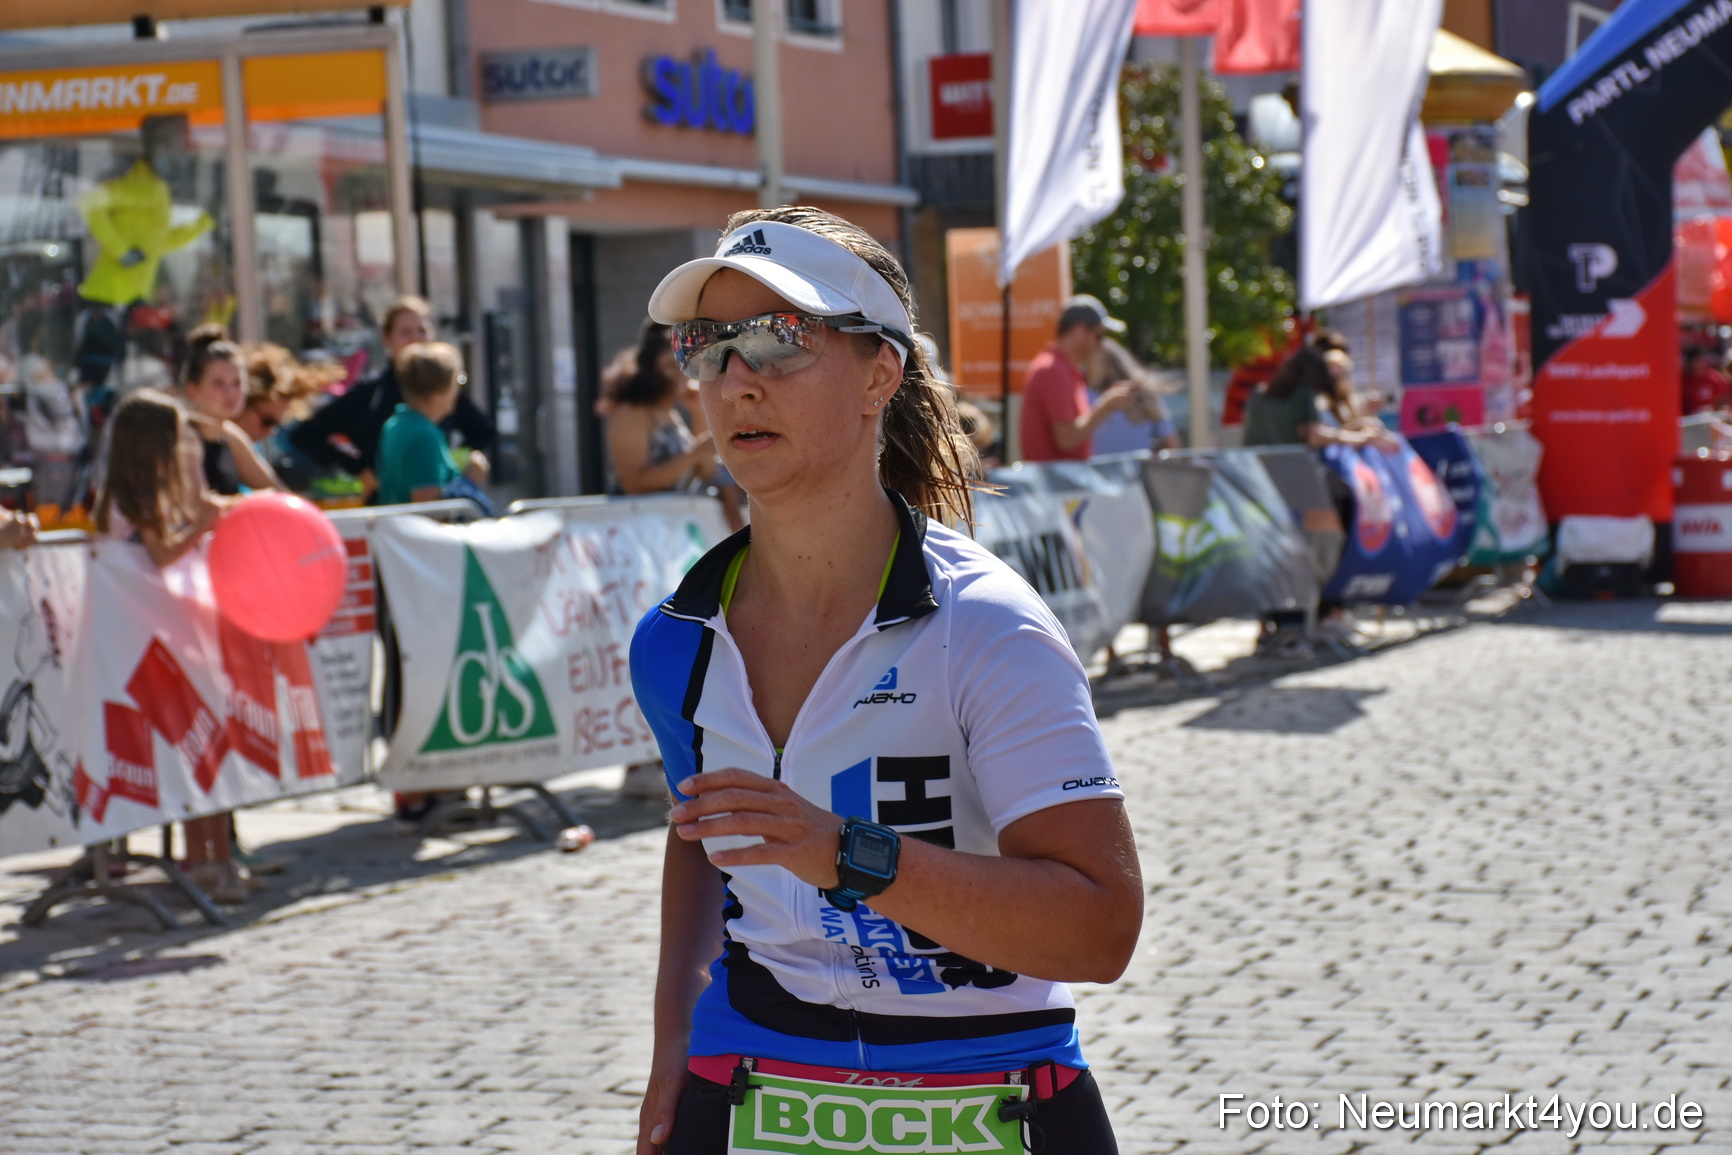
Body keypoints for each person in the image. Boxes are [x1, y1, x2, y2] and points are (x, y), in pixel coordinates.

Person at [632, 207, 1142, 1154]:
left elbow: (1100, 927)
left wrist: (851, 855)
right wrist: (674, 1042)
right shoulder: (675, 639)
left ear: (880, 373)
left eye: (779, 340)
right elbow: (704, 837)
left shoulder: (987, 626)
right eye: (708, 346)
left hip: (990, 1084)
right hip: (752, 1079)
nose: (736, 380)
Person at [93, 389, 251, 902]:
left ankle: (214, 856)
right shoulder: (128, 496)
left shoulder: (153, 491)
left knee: (207, 747)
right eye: (175, 436)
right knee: (193, 748)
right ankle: (204, 859)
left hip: (171, 636)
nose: (184, 446)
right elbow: (160, 555)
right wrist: (203, 523)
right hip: (144, 645)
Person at [288, 296, 495, 498]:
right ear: (386, 338)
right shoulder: (381, 403)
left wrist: (451, 463)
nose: (415, 339)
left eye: (422, 330)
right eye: (405, 332)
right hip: (394, 510)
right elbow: (427, 506)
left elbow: (482, 431)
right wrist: (359, 469)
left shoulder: (405, 421)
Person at [1019, 294, 1134, 462]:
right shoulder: (1054, 370)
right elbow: (1066, 440)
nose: (1100, 345)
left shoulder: (1059, 367)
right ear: (1078, 331)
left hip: (1059, 481)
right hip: (1058, 483)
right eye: (1098, 336)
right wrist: (1106, 406)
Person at [375, 342, 490, 507]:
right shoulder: (424, 436)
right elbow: (429, 511)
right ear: (437, 394)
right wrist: (470, 480)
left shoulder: (395, 424)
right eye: (457, 381)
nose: (458, 390)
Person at [178, 328, 285, 495]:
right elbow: (199, 508)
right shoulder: (180, 438)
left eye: (237, 383)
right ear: (193, 390)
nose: (231, 393)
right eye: (218, 383)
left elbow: (278, 494)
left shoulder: (230, 436)